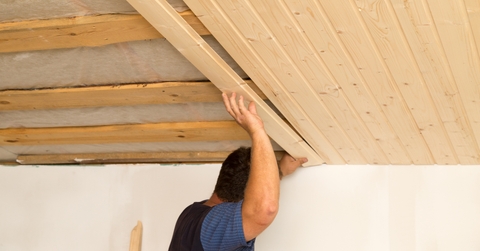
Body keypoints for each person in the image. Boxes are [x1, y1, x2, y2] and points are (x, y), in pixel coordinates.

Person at [168, 92, 308, 251]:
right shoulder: (214, 227)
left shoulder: (191, 213)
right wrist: (256, 131)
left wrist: (280, 171)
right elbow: (264, 208)